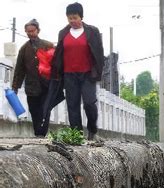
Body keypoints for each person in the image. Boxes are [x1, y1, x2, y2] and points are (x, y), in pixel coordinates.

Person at [51, 2, 104, 141]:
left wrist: (98, 72)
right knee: (72, 105)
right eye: (70, 18)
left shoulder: (92, 31)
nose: (72, 21)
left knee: (89, 103)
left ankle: (92, 130)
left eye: (75, 17)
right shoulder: (63, 33)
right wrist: (56, 73)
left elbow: (99, 53)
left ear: (81, 16)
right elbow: (58, 54)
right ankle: (77, 135)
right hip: (69, 75)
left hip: (87, 74)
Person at [12, 19, 54, 137]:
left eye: (32, 31)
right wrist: (15, 86)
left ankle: (43, 132)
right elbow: (19, 70)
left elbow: (56, 64)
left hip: (46, 84)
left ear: (38, 30)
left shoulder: (48, 45)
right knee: (34, 110)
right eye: (28, 31)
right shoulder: (24, 49)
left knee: (46, 109)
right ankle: (37, 133)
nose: (30, 33)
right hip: (31, 85)